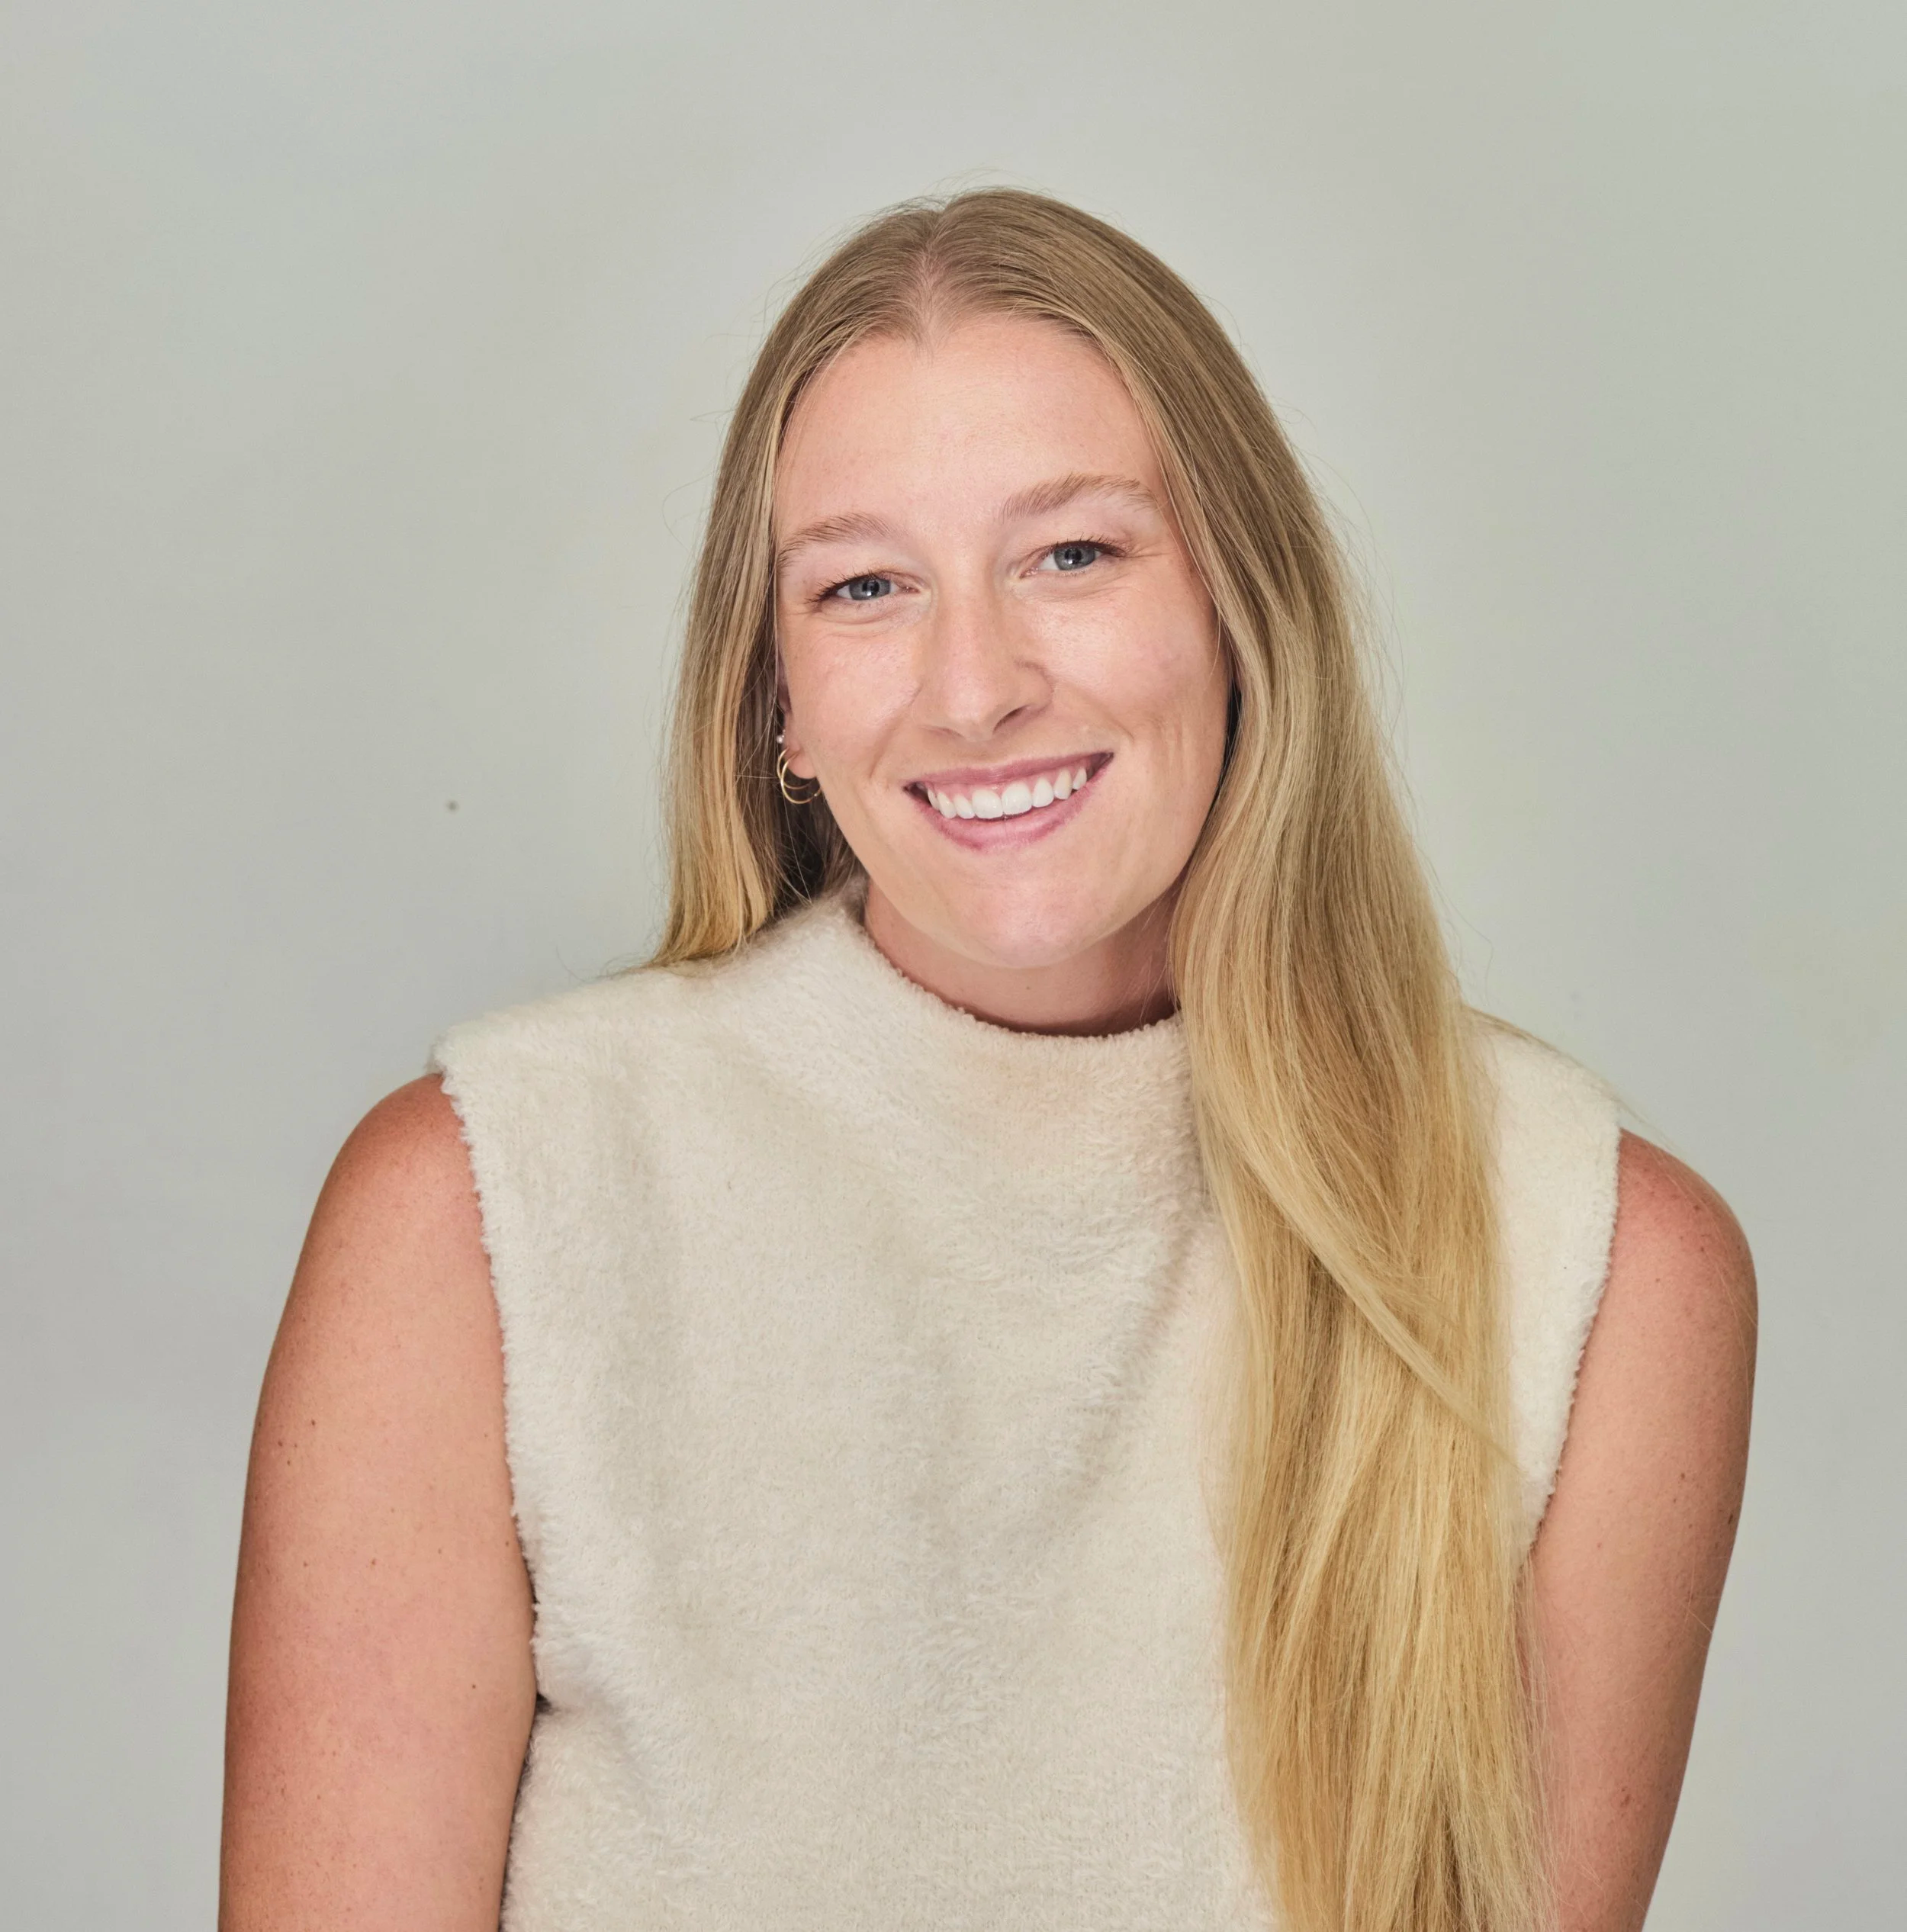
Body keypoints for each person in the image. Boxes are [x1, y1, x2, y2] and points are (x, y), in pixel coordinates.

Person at [220, 190, 1755, 1932]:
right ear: (780, 702)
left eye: (1072, 556)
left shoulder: (1597, 1263)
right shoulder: (481, 1214)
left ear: (1239, 614)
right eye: (866, 586)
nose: (972, 688)